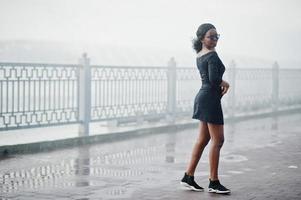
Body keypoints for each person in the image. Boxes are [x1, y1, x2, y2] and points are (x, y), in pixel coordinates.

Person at [180, 23, 231, 194]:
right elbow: (214, 79)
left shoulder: (200, 55)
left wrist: (219, 84)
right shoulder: (212, 56)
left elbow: (209, 79)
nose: (215, 39)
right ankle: (214, 182)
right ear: (202, 38)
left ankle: (188, 177)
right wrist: (225, 83)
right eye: (211, 36)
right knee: (218, 141)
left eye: (217, 36)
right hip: (209, 99)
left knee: (202, 140)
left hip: (203, 97)